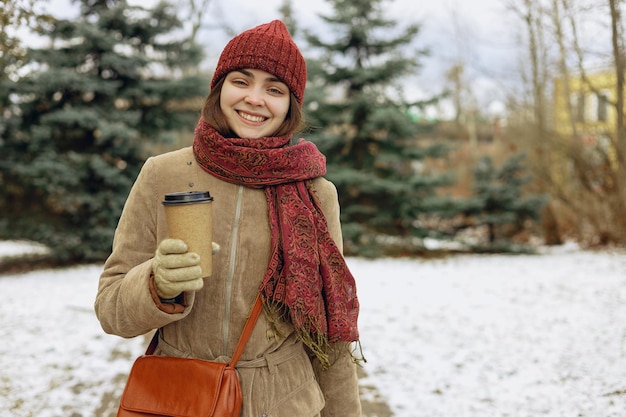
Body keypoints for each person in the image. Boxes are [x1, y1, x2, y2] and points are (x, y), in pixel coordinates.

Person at [94, 19, 363, 417]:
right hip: (179, 397)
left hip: (283, 403)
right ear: (220, 87)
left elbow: (328, 330)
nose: (255, 99)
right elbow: (110, 307)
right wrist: (157, 284)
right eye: (242, 81)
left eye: (274, 89)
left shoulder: (316, 193)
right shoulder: (162, 173)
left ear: (291, 104)